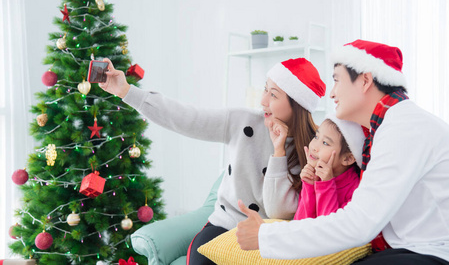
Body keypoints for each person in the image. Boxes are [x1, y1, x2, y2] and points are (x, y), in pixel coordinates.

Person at [236, 40, 449, 265]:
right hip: (410, 249)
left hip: (433, 254)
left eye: (337, 80)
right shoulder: (387, 128)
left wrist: (265, 236)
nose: (332, 93)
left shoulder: (404, 130)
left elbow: (359, 223)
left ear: (365, 81)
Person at [99, 57, 326, 265]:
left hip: (268, 235)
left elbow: (279, 212)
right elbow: (186, 118)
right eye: (265, 90)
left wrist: (278, 152)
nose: (263, 101)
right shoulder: (242, 121)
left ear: (296, 105)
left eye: (274, 95)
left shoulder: (315, 149)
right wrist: (126, 91)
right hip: (224, 226)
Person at [294, 114, 365, 221]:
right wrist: (309, 185)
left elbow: (328, 230)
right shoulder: (315, 175)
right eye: (316, 137)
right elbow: (300, 225)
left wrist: (326, 185)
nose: (314, 147)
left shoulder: (356, 191)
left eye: (325, 143)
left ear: (348, 159)